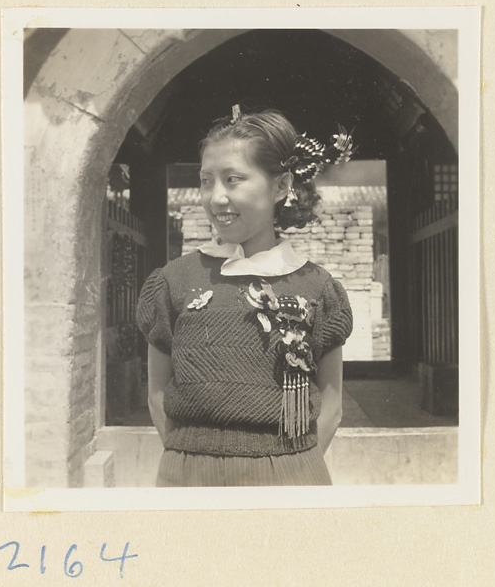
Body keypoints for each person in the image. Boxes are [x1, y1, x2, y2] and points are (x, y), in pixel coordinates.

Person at [137, 106, 355, 487]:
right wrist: (190, 462)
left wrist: (289, 469)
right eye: (206, 181)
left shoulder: (317, 288)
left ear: (282, 186)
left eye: (233, 179)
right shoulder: (173, 282)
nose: (216, 197)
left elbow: (331, 407)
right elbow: (157, 396)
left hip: (291, 477)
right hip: (186, 477)